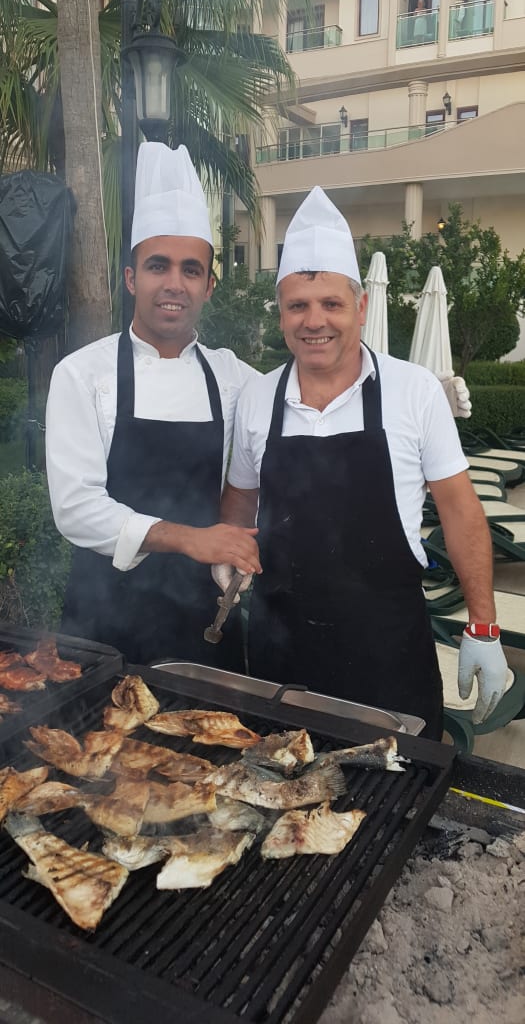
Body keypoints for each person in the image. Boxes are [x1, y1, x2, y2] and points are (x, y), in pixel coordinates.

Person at [213, 187, 508, 739]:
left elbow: (460, 511)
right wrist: (227, 548)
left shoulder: (414, 390)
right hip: (282, 652)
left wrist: (484, 625)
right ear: (281, 313)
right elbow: (241, 495)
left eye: (331, 304)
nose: (314, 321)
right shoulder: (257, 396)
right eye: (298, 305)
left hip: (387, 653)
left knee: (399, 784)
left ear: (361, 307)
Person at [46, 142, 261, 668]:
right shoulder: (81, 374)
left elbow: (302, 400)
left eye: (191, 270)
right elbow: (76, 508)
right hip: (101, 621)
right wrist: (191, 539)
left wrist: (411, 388)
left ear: (209, 286)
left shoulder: (232, 377)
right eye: (158, 266)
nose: (173, 284)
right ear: (131, 278)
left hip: (205, 615)